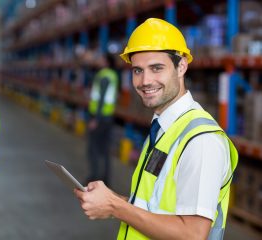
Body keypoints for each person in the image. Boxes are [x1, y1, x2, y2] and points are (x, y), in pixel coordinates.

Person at [74, 18, 238, 240]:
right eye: (137, 71)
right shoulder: (164, 128)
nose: (145, 81)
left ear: (181, 66)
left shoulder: (201, 141)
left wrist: (115, 207)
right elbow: (156, 206)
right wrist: (112, 199)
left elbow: (192, 234)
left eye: (156, 68)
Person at [85, 53, 119, 186]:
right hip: (108, 116)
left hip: (100, 118)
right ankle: (105, 180)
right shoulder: (113, 75)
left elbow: (101, 99)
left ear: (106, 62)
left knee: (93, 149)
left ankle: (94, 178)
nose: (98, 60)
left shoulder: (104, 76)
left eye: (100, 58)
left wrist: (95, 119)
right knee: (105, 150)